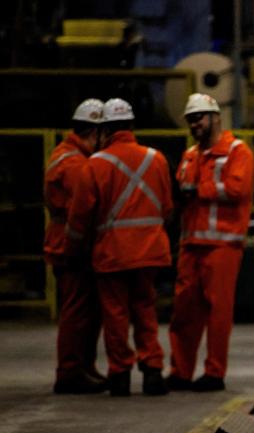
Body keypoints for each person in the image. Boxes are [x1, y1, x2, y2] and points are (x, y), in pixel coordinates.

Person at [65, 98, 173, 397]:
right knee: (145, 310)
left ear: (105, 130)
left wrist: (73, 248)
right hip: (151, 250)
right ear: (131, 126)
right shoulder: (157, 159)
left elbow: (80, 217)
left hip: (112, 253)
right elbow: (166, 207)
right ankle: (152, 370)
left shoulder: (96, 164)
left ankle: (120, 374)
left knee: (115, 315)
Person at [166, 93, 254, 392]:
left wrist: (197, 190)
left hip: (222, 245)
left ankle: (214, 373)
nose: (194, 124)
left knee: (218, 313)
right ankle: (180, 371)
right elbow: (182, 189)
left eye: (199, 118)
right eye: (191, 120)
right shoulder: (191, 155)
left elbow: (237, 188)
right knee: (183, 312)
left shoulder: (237, 151)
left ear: (216, 117)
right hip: (191, 243)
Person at [45, 98, 107, 394]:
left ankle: (84, 366)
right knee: (76, 311)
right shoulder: (74, 163)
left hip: (71, 244)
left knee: (87, 311)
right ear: (93, 133)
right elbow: (79, 212)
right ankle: (69, 371)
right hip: (70, 247)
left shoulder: (70, 155)